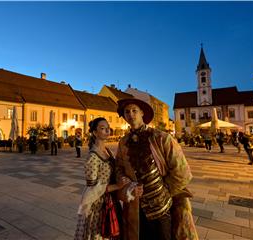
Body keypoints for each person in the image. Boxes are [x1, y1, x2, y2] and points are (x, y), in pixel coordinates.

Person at [114, 98, 198, 240]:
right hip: (136, 207)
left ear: (142, 113)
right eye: (126, 112)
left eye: (134, 110)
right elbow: (118, 168)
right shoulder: (123, 142)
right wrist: (127, 184)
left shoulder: (161, 138)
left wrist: (164, 192)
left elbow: (182, 172)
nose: (130, 114)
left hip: (161, 207)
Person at [74, 117, 130, 240]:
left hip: (111, 200)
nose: (107, 131)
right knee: (101, 233)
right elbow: (92, 189)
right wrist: (117, 186)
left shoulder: (107, 151)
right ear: (94, 133)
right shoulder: (92, 157)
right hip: (99, 206)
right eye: (102, 128)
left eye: (108, 128)